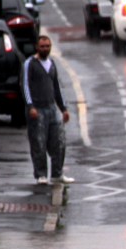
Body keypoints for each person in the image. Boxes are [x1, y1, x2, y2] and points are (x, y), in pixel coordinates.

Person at [22, 35, 73, 185]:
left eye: (48, 46)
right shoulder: (29, 64)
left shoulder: (52, 64)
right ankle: (41, 175)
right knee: (39, 143)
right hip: (37, 110)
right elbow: (25, 86)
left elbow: (57, 87)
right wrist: (30, 106)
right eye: (42, 46)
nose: (46, 49)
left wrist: (63, 109)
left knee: (59, 142)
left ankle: (57, 174)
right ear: (37, 47)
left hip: (52, 109)